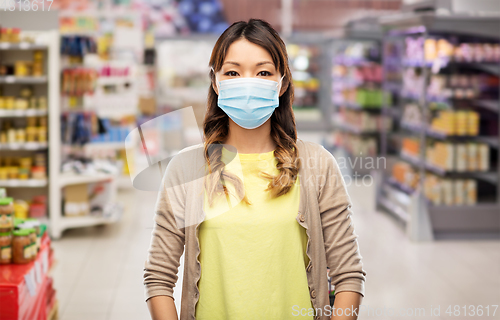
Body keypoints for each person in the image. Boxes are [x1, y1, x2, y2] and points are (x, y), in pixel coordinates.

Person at [144, 19, 366, 320]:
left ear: (282, 83)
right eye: (233, 72)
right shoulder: (186, 168)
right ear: (216, 82)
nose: (247, 83)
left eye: (263, 72)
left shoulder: (317, 165)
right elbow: (159, 277)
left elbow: (348, 275)